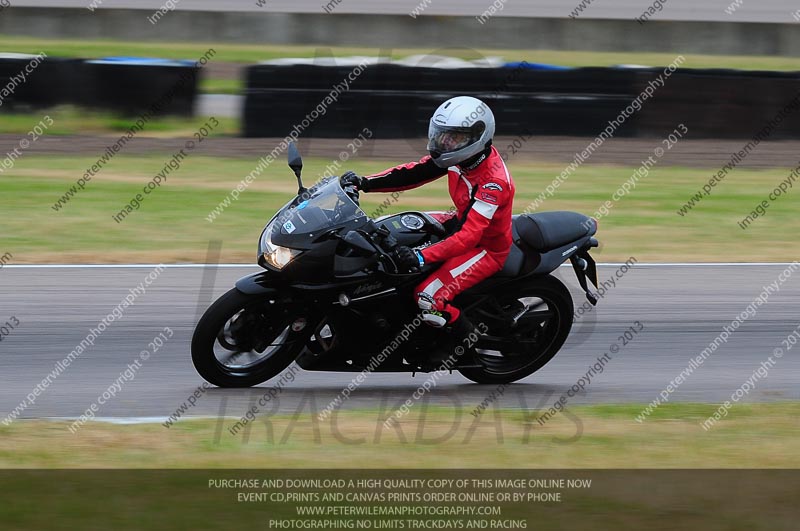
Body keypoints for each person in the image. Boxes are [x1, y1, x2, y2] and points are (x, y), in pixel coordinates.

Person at [341, 96, 515, 362]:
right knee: (378, 231)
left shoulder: (493, 183)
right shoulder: (462, 157)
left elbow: (469, 236)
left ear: (476, 137)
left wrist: (421, 256)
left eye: (453, 137)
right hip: (457, 222)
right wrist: (364, 183)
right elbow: (414, 173)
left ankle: (463, 341)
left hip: (485, 248)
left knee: (427, 297)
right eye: (442, 134)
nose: (444, 142)